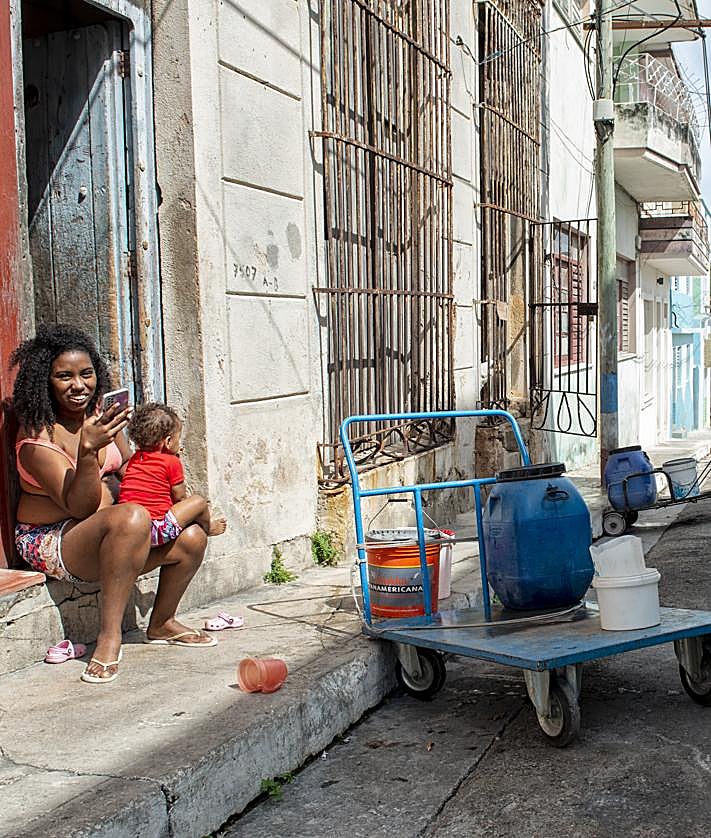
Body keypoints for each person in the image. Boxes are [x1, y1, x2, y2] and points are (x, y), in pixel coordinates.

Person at [12, 324, 216, 686]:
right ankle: (109, 637)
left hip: (109, 530)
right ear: (46, 381)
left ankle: (162, 622)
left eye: (86, 374)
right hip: (52, 540)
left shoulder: (102, 421)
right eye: (64, 376)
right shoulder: (37, 439)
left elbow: (126, 472)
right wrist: (88, 453)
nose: (79, 385)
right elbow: (80, 506)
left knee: (193, 537)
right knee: (132, 516)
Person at [119, 402, 227, 544]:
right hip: (156, 531)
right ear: (168, 441)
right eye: (178, 438)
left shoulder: (135, 458)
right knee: (198, 502)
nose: (179, 444)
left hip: (129, 530)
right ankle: (208, 528)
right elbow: (180, 497)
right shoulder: (171, 461)